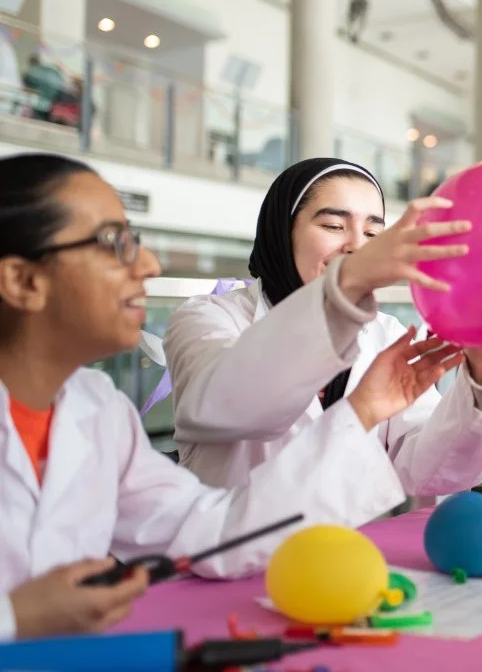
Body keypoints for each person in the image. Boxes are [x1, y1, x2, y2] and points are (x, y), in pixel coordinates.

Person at [0, 153, 451, 640]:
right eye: (115, 243)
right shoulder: (210, 318)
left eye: (370, 229)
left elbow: (216, 533)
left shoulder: (97, 408)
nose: (148, 264)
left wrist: (364, 409)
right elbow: (226, 401)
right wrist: (14, 619)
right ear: (23, 281)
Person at [163, 158, 482, 495]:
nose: (356, 248)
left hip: (344, 551)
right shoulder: (207, 319)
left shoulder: (387, 333)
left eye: (372, 233)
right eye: (334, 226)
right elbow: (233, 406)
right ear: (282, 233)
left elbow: (425, 471)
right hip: (228, 554)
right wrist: (346, 287)